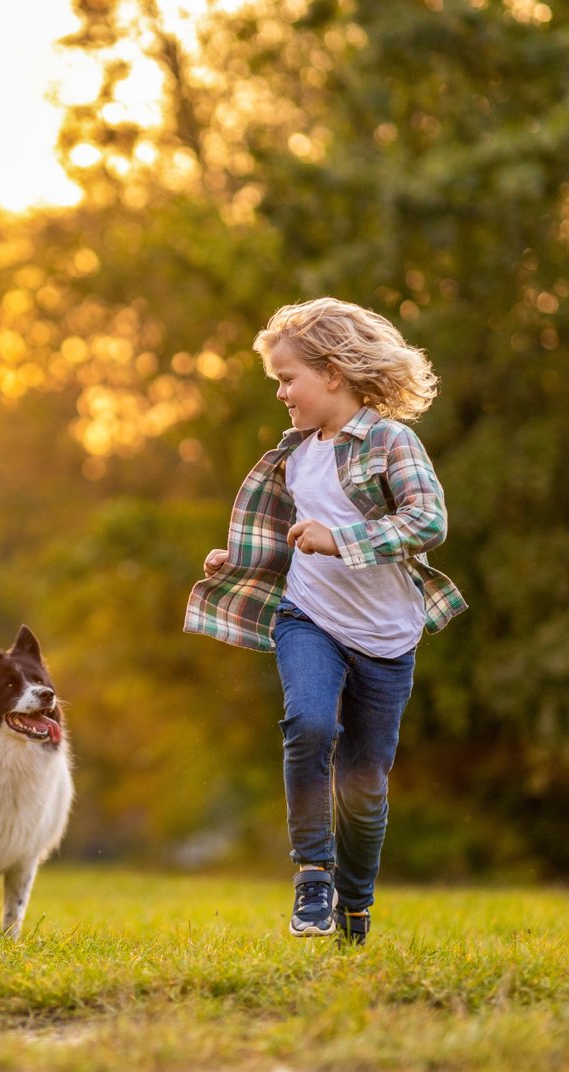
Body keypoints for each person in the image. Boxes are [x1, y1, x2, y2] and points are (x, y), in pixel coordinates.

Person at [184, 298, 466, 945]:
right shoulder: (295, 455)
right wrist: (238, 558)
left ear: (333, 373)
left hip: (386, 637)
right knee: (309, 723)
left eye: (288, 379)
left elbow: (429, 522)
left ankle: (355, 910)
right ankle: (313, 876)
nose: (280, 393)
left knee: (364, 787)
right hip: (308, 618)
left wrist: (341, 541)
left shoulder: (392, 442)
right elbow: (293, 539)